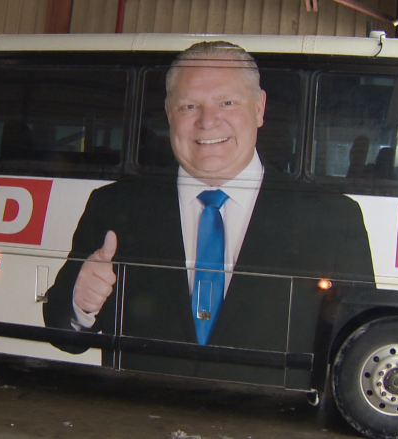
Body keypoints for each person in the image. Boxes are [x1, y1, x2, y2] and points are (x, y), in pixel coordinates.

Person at [43, 42, 374, 382]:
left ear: (259, 108)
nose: (208, 122)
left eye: (227, 103)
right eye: (189, 106)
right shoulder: (113, 206)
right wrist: (81, 307)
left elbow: (360, 351)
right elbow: (61, 333)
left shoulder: (334, 220)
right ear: (170, 114)